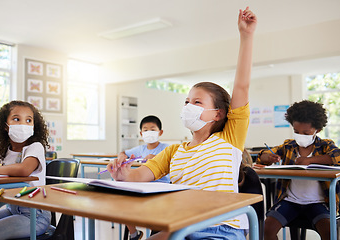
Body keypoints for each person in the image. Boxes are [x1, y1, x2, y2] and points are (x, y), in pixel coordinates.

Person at [107, 7, 257, 240]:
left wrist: (246, 36)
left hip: (221, 228)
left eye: (197, 102)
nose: (188, 105)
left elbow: (241, 87)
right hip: (181, 227)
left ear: (217, 114)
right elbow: (139, 177)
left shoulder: (229, 139)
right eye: (186, 101)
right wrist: (122, 174)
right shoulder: (173, 152)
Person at [256, 100, 340, 240]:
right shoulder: (289, 146)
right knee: (266, 230)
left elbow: (337, 156)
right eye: (296, 131)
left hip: (318, 202)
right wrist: (268, 157)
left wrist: (309, 160)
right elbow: (262, 155)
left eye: (306, 133)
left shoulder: (325, 145)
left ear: (317, 130)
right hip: (290, 201)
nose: (300, 135)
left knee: (330, 233)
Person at [0, 100, 51, 240]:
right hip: (13, 210)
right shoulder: (5, 150)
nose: (23, 124)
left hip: (35, 216)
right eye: (16, 119)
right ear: (5, 126)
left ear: (34, 126)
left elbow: (24, 169)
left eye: (28, 120)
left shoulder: (35, 147)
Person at [118, 115, 170, 240]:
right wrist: (121, 156)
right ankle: (134, 234)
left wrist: (156, 159)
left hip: (161, 186)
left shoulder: (166, 148)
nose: (149, 132)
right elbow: (124, 153)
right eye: (145, 130)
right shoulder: (140, 149)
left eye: (152, 129)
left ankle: (155, 232)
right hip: (142, 185)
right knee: (123, 200)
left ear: (160, 132)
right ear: (141, 133)